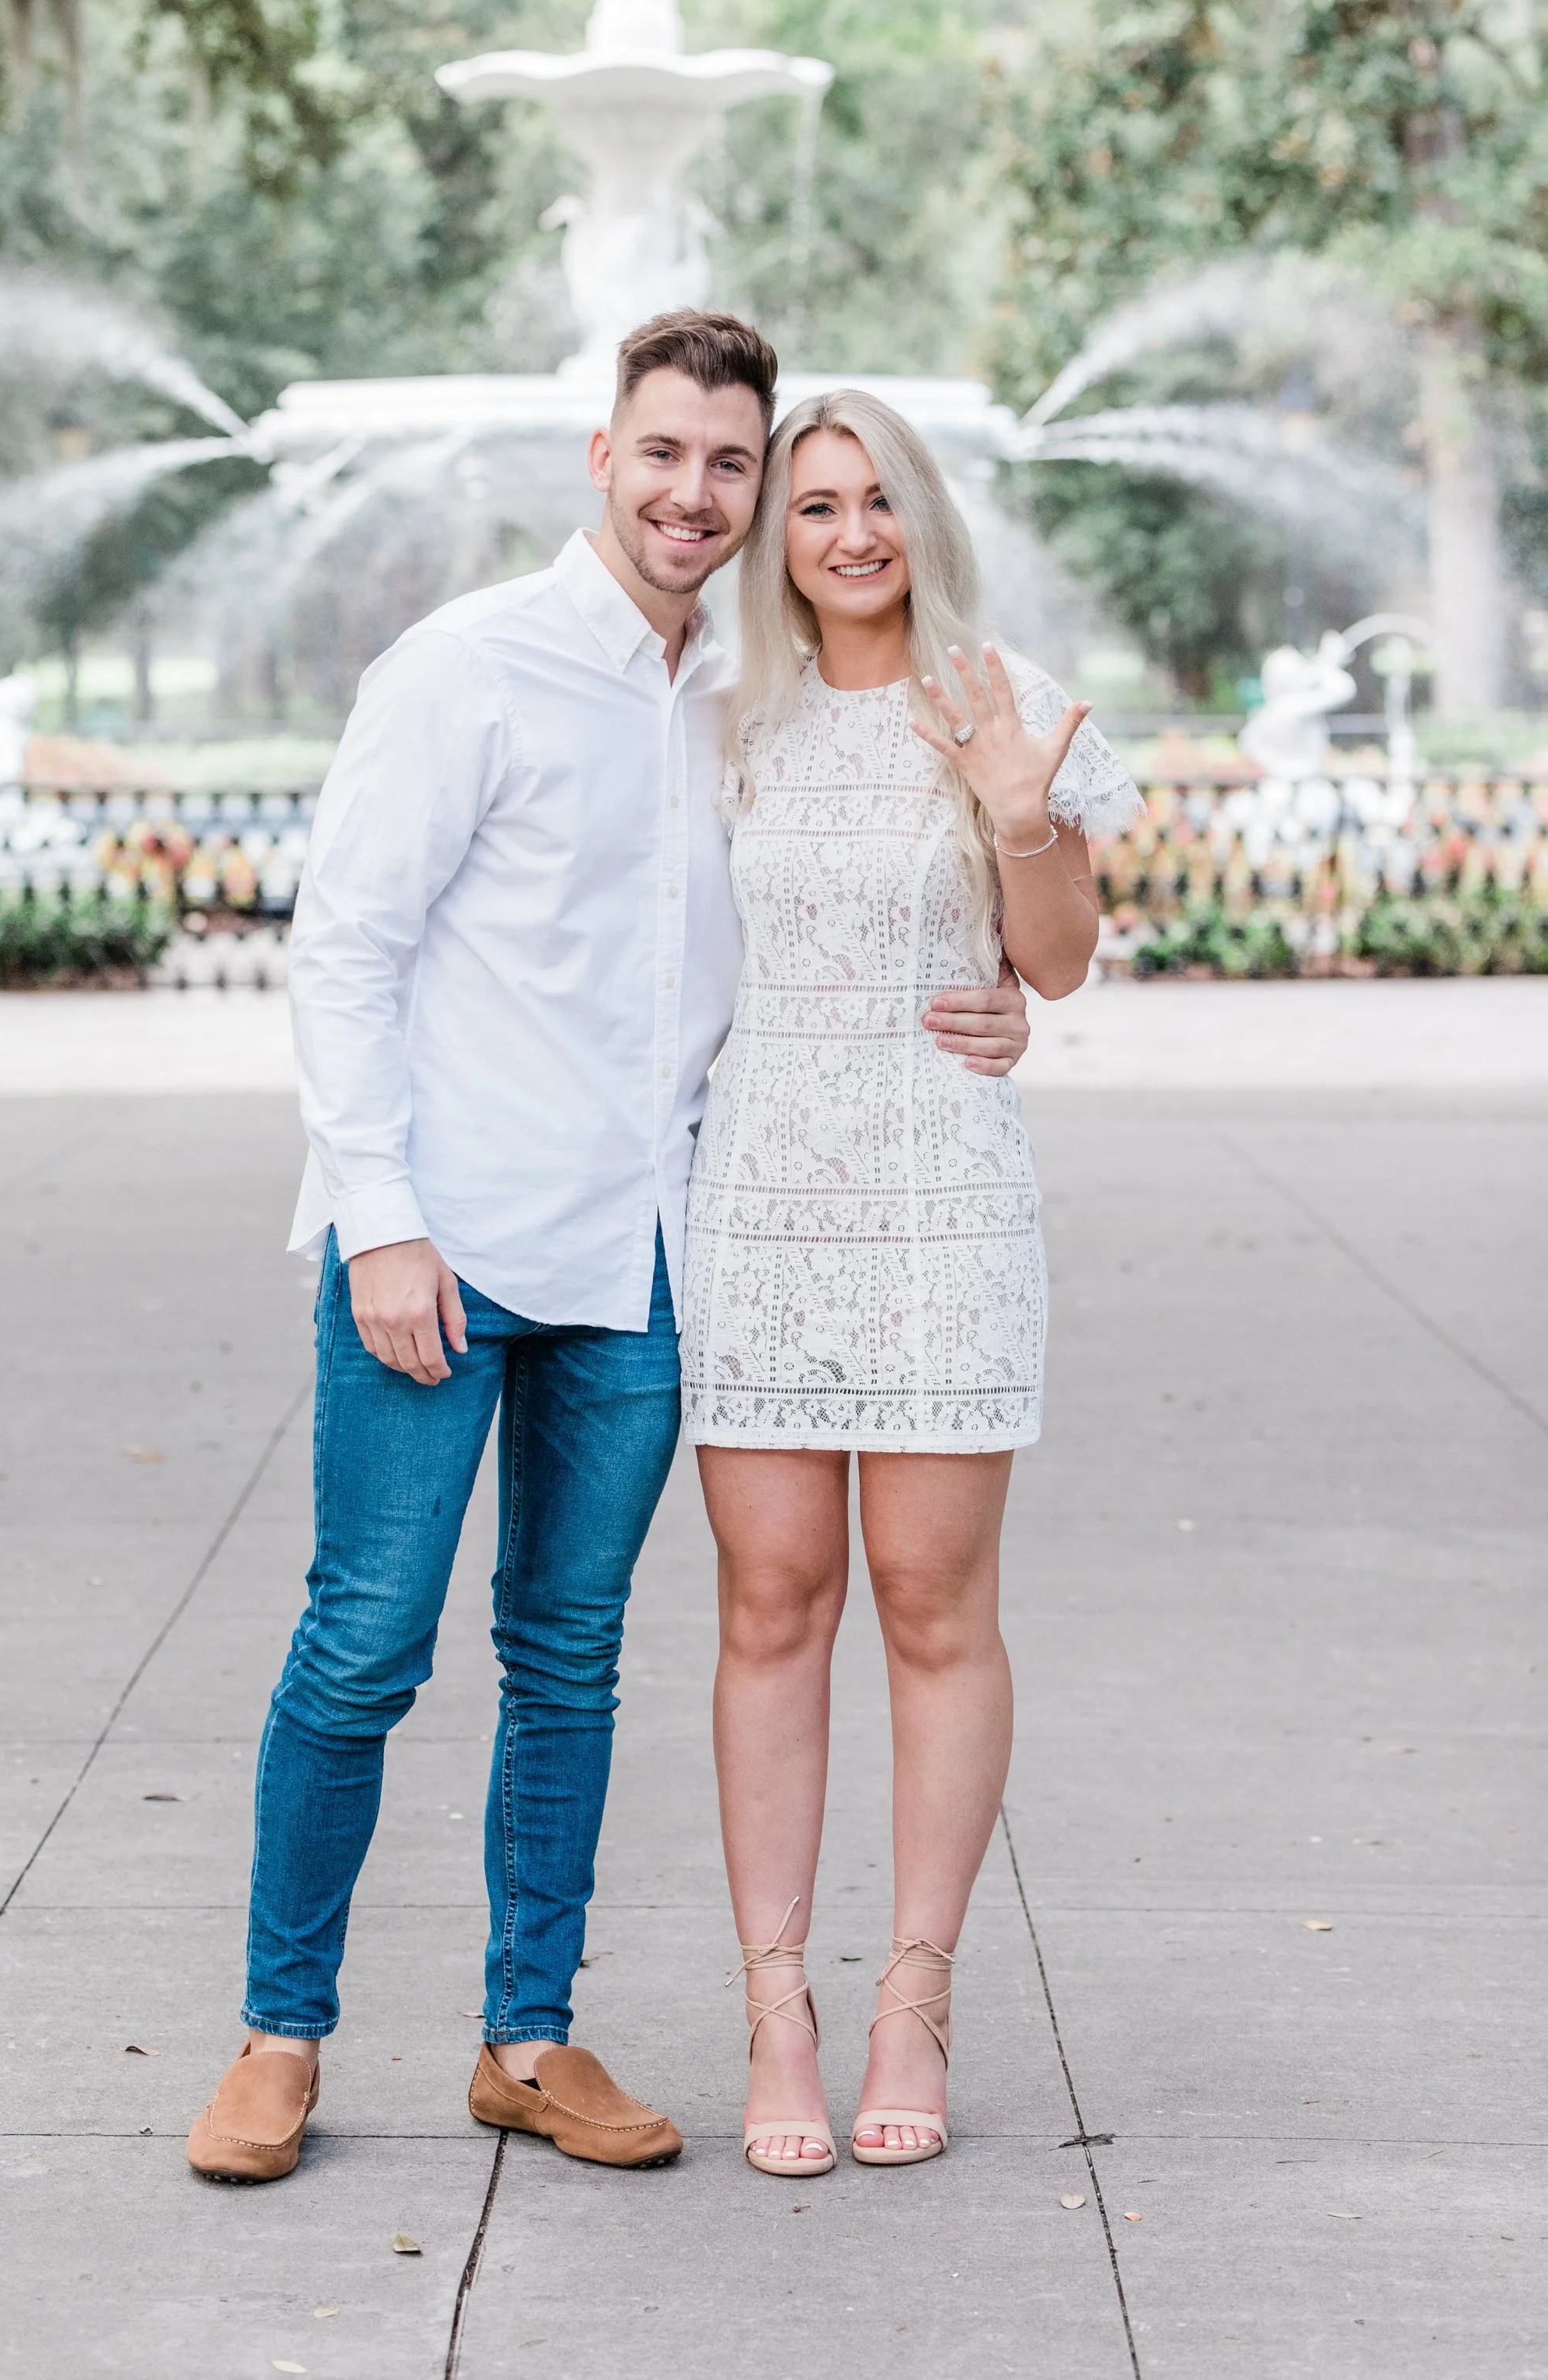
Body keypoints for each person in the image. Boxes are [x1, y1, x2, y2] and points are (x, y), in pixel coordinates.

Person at [186, 314, 1035, 2188]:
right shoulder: (466, 667)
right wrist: (381, 1220)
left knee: (567, 1661)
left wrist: (995, 997)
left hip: (650, 1261)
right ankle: (277, 2034)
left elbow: (866, 926)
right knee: (364, 1645)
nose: (696, 494)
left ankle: (525, 2033)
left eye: (730, 467)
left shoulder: (732, 701)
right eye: (669, 455)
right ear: (602, 456)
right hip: (443, 1247)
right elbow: (344, 949)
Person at [679, 388, 1141, 2180]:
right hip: (759, 1201)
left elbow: (1058, 964)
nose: (849, 532)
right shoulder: (722, 720)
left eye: (876, 500)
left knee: (931, 1600)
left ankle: (913, 2002)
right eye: (813, 506)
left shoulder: (1000, 701)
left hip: (940, 1196)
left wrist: (1016, 817)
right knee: (768, 1602)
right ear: (773, 539)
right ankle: (776, 2006)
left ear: (918, 518)